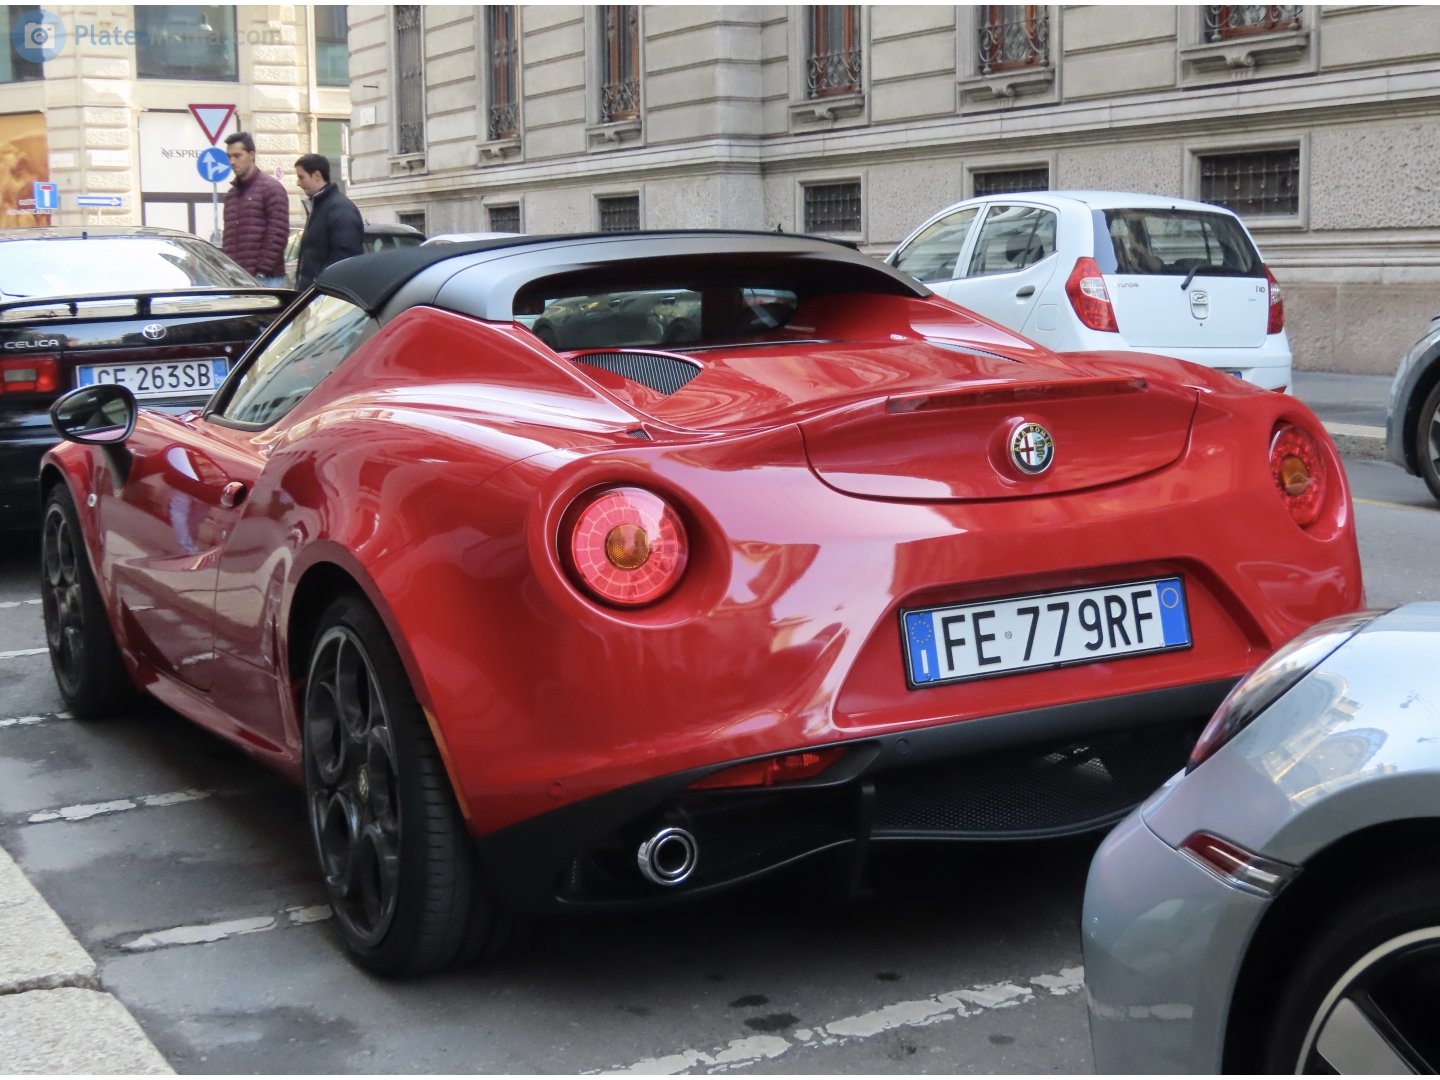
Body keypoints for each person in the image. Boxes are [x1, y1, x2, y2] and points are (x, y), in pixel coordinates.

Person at [221, 132, 290, 286]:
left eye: (237, 156)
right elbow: (229, 238)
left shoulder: (271, 188)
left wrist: (261, 273)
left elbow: (277, 234)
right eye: (229, 156)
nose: (232, 161)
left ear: (251, 154)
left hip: (266, 279)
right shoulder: (232, 195)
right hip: (236, 280)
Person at [292, 153, 365, 289]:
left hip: (326, 298)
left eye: (301, 177)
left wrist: (319, 288)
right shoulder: (320, 207)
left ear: (317, 176)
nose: (298, 183)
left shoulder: (341, 210)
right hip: (315, 297)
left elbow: (344, 262)